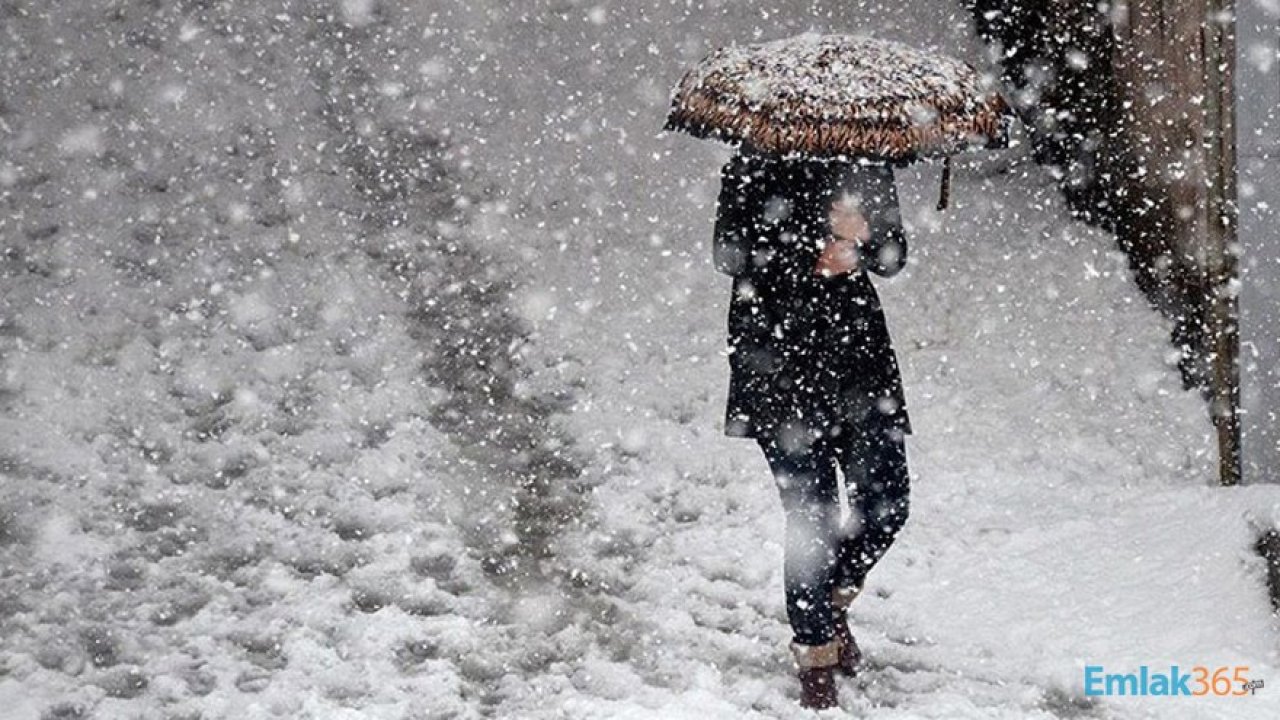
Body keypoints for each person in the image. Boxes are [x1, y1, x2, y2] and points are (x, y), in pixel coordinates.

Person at [712, 148, 912, 710]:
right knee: (812, 519)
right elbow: (729, 254)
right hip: (777, 362)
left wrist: (864, 238)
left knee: (888, 500)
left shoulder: (867, 165)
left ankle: (826, 600)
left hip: (858, 364)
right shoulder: (751, 165)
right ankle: (816, 650)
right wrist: (812, 250)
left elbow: (894, 258)